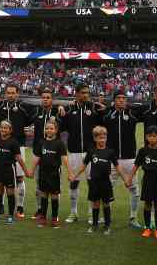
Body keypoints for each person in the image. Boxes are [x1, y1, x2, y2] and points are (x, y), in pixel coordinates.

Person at [61, 84, 105, 224]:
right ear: (77, 94)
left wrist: (104, 111)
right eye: (83, 93)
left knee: (92, 183)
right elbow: (61, 127)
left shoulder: (94, 108)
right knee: (74, 182)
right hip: (74, 152)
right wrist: (60, 110)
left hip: (91, 153)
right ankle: (73, 213)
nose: (86, 95)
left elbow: (103, 125)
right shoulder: (69, 109)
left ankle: (92, 214)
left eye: (87, 92)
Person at [0, 84, 35, 218]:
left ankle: (20, 207)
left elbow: (34, 116)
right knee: (1, 181)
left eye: (13, 92)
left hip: (18, 145)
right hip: (2, 146)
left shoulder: (23, 106)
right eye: (8, 92)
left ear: (17, 94)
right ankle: (0, 208)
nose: (10, 95)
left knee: (19, 178)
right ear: (5, 94)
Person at [100, 91, 140, 228]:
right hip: (112, 159)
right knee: (107, 188)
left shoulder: (133, 114)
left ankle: (133, 217)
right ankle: (106, 216)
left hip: (130, 159)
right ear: (114, 100)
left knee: (134, 189)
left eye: (124, 98)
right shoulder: (107, 115)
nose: (122, 100)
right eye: (119, 98)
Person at [77, 125, 125, 233]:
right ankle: (94, 225)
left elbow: (117, 167)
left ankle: (107, 225)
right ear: (95, 138)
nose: (102, 140)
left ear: (106, 138)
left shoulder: (110, 152)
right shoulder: (91, 151)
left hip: (105, 182)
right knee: (95, 203)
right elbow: (83, 166)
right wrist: (75, 175)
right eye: (99, 138)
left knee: (106, 203)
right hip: (94, 182)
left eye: (104, 137)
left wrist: (126, 179)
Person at [31, 118, 71, 229]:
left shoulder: (60, 144)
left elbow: (65, 159)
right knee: (43, 194)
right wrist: (32, 170)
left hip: (55, 174)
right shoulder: (41, 142)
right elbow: (37, 158)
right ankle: (43, 217)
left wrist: (70, 173)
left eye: (51, 128)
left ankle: (54, 218)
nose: (49, 130)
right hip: (43, 173)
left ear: (56, 130)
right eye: (47, 128)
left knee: (54, 195)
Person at [31, 87, 61, 218]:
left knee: (55, 185)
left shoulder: (58, 112)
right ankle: (40, 210)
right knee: (39, 183)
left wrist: (62, 106)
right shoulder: (36, 111)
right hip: (38, 152)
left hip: (54, 154)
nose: (45, 99)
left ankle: (55, 215)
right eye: (43, 97)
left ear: (52, 99)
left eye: (48, 97)